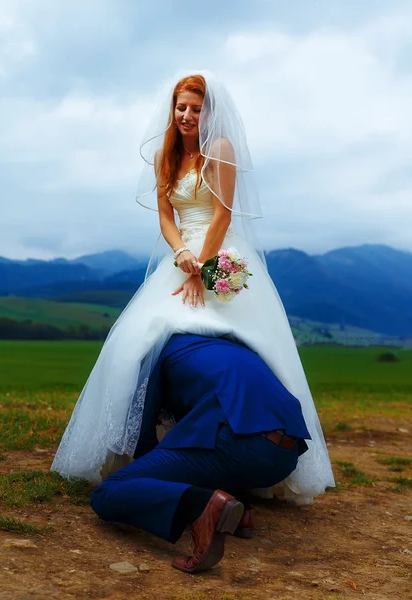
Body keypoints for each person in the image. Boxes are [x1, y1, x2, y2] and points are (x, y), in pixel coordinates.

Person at [51, 69, 335, 508]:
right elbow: (166, 215)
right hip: (183, 252)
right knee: (135, 341)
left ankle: (255, 439)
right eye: (181, 107)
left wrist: (201, 266)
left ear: (209, 113)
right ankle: (134, 447)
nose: (186, 115)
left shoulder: (219, 149)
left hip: (219, 253)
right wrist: (181, 252)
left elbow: (222, 214)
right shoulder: (165, 154)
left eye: (196, 109)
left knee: (244, 337)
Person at [90, 333, 312, 573]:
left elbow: (143, 426)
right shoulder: (230, 347)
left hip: (238, 448)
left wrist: (149, 473)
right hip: (286, 457)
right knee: (208, 451)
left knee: (107, 493)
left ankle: (202, 506)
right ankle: (241, 509)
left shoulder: (157, 353)